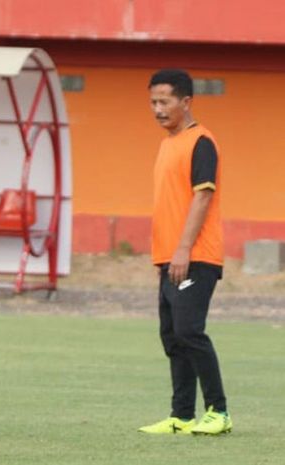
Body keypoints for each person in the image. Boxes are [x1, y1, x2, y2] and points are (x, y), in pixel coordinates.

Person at [138, 69, 231, 435]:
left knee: (190, 332)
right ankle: (181, 416)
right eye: (153, 102)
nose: (157, 109)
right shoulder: (166, 145)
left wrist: (182, 249)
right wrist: (163, 257)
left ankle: (219, 412)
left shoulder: (201, 142)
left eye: (164, 101)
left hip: (195, 255)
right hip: (170, 258)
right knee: (173, 336)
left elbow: (203, 196)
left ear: (186, 101)